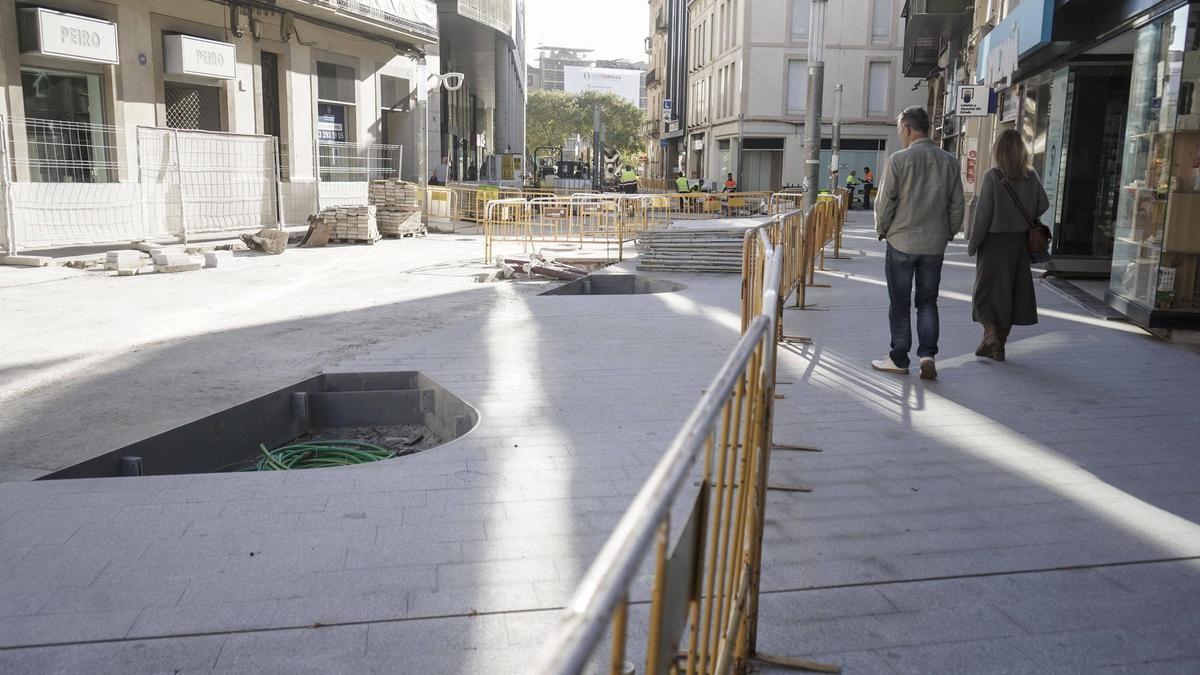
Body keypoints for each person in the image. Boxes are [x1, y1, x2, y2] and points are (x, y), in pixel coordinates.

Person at [872, 106, 965, 380]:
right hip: (934, 245)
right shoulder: (949, 161)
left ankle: (899, 358)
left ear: (907, 128)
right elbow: (957, 205)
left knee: (900, 304)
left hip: (901, 241)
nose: (900, 134)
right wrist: (947, 233)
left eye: (900, 129)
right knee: (927, 301)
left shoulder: (898, 160)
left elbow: (885, 202)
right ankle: (927, 356)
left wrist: (882, 230)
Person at [968, 129, 1047, 362]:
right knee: (1010, 295)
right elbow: (1043, 203)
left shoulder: (992, 176)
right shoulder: (1030, 176)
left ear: (998, 151)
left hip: (993, 244)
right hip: (1019, 244)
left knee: (985, 294)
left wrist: (973, 244)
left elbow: (983, 216)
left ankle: (991, 334)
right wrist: (1026, 216)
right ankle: (998, 346)